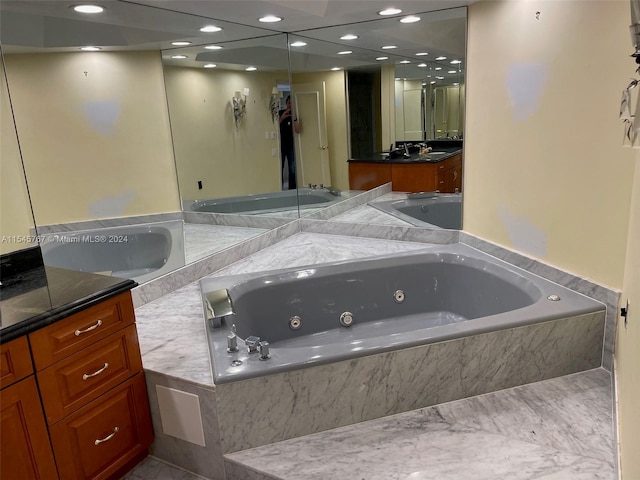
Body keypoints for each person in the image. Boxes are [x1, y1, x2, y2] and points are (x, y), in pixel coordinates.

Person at [279, 95, 301, 189]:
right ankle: (279, 188)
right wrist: (282, 117)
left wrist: (295, 118)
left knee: (292, 169)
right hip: (281, 145)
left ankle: (292, 189)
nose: (290, 105)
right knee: (280, 167)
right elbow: (274, 128)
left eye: (292, 103)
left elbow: (298, 130)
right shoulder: (280, 113)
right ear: (286, 103)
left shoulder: (295, 114)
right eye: (289, 103)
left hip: (292, 146)